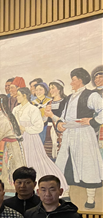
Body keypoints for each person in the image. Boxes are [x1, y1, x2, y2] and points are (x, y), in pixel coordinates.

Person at [55, 68, 103, 209]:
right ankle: (65, 194)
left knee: (88, 164)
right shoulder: (69, 97)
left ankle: (90, 199)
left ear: (80, 80)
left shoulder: (91, 95)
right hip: (69, 134)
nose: (71, 83)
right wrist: (60, 124)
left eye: (73, 80)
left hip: (84, 133)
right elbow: (63, 116)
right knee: (65, 162)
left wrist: (92, 121)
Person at [13, 87, 70, 197]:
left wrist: (25, 129)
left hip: (31, 139)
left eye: (19, 95)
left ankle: (50, 185)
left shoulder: (33, 109)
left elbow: (39, 127)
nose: (17, 97)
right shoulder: (16, 109)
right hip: (18, 139)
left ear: (25, 96)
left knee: (36, 161)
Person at [43, 80, 68, 161]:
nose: (51, 91)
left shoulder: (66, 102)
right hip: (49, 131)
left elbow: (65, 119)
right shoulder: (49, 103)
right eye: (50, 88)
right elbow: (44, 121)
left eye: (53, 88)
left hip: (61, 130)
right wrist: (45, 115)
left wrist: (51, 115)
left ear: (59, 89)